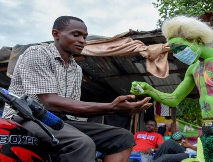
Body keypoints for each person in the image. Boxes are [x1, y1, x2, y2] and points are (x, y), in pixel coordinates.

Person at [2, 16, 152, 162]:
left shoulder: (76, 69)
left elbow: (71, 109)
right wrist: (111, 107)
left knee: (123, 138)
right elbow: (50, 102)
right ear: (56, 34)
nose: (82, 40)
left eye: (85, 37)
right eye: (76, 34)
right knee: (82, 143)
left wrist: (115, 109)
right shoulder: (38, 53)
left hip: (58, 121)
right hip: (25, 118)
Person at [131, 15, 213, 161]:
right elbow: (174, 99)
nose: (178, 53)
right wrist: (148, 89)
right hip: (206, 133)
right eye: (174, 50)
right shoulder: (192, 69)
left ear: (198, 40)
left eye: (181, 47)